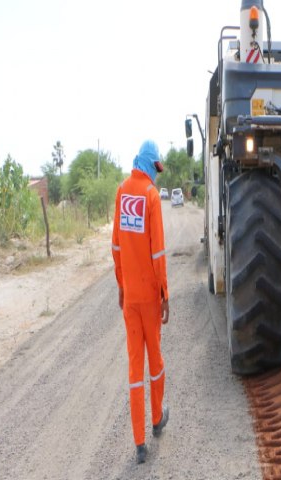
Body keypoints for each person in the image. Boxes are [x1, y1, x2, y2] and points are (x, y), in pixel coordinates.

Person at [111, 139, 170, 464]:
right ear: (149, 164)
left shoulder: (122, 192)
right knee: (155, 362)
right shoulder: (150, 196)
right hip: (148, 297)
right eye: (157, 168)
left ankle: (139, 443)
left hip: (130, 296)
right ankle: (157, 419)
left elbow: (116, 247)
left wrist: (121, 285)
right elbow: (158, 253)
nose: (157, 175)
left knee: (135, 368)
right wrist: (164, 294)